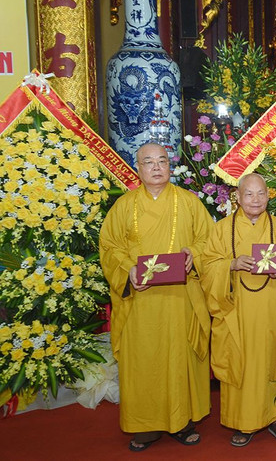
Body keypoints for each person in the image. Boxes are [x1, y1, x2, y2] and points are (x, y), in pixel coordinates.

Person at [99, 143, 213, 452]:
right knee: (143, 360)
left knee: (180, 357)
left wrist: (194, 253)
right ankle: (145, 425)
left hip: (181, 297)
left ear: (170, 165)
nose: (156, 166)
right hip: (142, 300)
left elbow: (209, 240)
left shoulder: (189, 203)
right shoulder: (124, 206)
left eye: (162, 160)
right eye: (148, 162)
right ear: (138, 168)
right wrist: (128, 271)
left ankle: (183, 420)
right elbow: (110, 247)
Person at [200, 173, 276, 447]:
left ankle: (275, 417)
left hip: (272, 309)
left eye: (260, 194)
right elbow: (208, 266)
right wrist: (231, 265)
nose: (255, 199)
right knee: (240, 362)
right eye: (249, 194)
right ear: (237, 197)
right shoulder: (222, 228)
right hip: (236, 313)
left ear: (268, 197)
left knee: (270, 360)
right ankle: (242, 422)